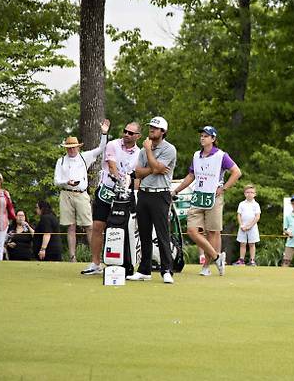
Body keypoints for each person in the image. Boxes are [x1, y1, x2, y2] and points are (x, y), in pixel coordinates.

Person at [172, 125, 241, 276]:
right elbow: (191, 176)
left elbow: (236, 172)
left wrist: (224, 188)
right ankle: (217, 257)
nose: (202, 138)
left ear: (213, 139)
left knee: (212, 232)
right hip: (198, 196)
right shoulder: (197, 155)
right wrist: (177, 190)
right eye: (201, 135)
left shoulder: (221, 155)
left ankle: (206, 267)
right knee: (191, 231)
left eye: (206, 136)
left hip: (214, 197)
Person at [81, 123, 142, 275]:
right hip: (107, 190)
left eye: (131, 133)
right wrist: (120, 180)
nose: (127, 134)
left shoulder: (139, 153)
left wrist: (134, 193)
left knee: (123, 228)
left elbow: (136, 175)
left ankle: (123, 263)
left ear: (138, 136)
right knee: (98, 226)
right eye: (125, 131)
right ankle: (95, 263)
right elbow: (112, 166)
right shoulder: (112, 144)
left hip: (125, 195)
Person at [126, 116, 177, 284]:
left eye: (155, 128)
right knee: (144, 233)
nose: (152, 130)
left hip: (160, 194)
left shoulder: (169, 149)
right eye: (151, 127)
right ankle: (144, 270)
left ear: (163, 132)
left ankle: (167, 270)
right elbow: (138, 173)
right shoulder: (142, 151)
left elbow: (156, 168)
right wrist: (154, 168)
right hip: (144, 193)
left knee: (162, 234)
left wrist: (149, 151)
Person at [54, 119, 110, 262]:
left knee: (89, 226)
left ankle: (95, 257)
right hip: (66, 193)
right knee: (71, 227)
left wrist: (104, 133)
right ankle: (72, 257)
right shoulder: (61, 161)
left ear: (78, 147)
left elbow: (101, 148)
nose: (71, 150)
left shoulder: (85, 157)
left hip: (81, 194)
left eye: (73, 147)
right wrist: (66, 182)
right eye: (69, 147)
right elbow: (56, 180)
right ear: (66, 148)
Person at [234, 184, 261, 266]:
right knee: (242, 243)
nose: (249, 194)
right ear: (244, 193)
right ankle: (241, 260)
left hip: (252, 227)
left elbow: (257, 216)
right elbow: (239, 215)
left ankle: (252, 260)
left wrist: (249, 226)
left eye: (252, 192)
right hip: (242, 227)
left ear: (255, 194)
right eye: (247, 192)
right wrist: (241, 225)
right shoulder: (242, 204)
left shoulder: (256, 204)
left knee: (252, 244)